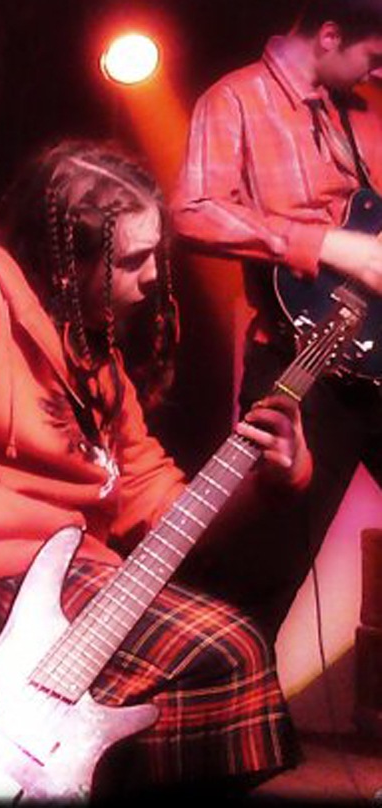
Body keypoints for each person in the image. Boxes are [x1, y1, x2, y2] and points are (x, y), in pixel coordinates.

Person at [0, 138, 312, 802]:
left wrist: (267, 481)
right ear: (61, 262)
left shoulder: (91, 354)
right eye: (131, 260)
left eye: (154, 257)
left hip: (69, 577)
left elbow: (156, 508)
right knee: (224, 654)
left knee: (229, 661)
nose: (151, 280)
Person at [171, 0, 382, 641]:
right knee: (259, 579)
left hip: (376, 356)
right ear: (329, 35)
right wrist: (325, 245)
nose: (375, 71)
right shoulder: (235, 99)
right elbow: (192, 211)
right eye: (372, 56)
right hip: (299, 362)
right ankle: (225, 695)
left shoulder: (361, 112)